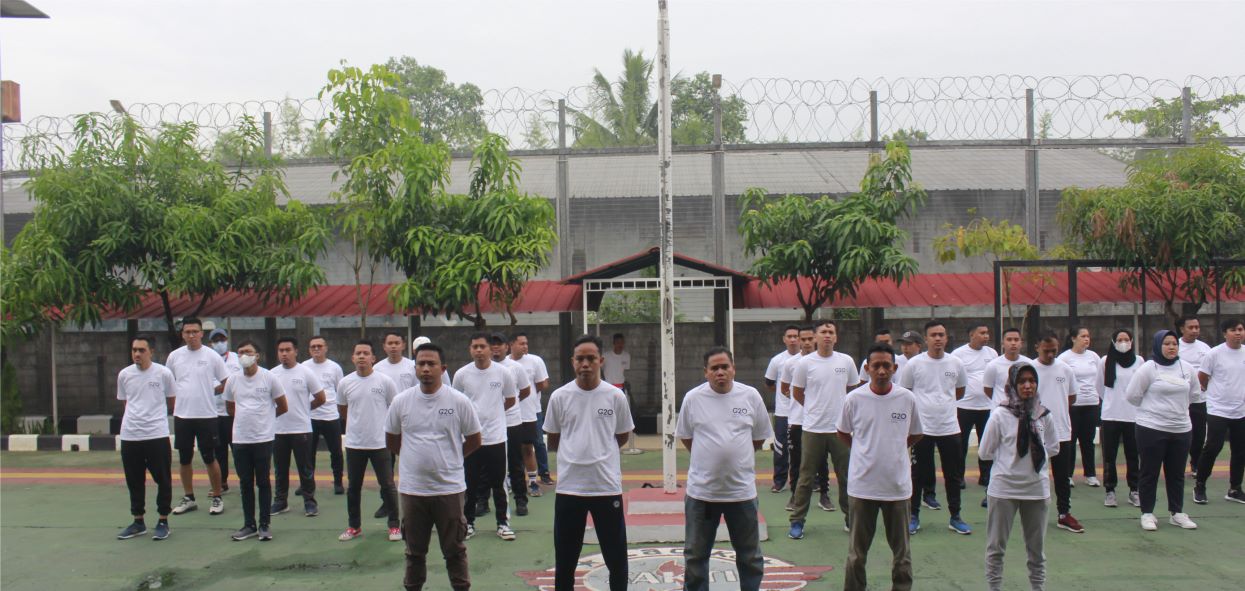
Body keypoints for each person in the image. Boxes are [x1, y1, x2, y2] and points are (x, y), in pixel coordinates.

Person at [386, 342, 482, 591]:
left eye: (431, 364)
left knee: (455, 550)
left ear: (443, 368)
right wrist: (412, 459)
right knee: (414, 552)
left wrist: (451, 459)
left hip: (449, 489)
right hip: (413, 490)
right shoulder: (401, 401)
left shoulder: (459, 401)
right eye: (421, 364)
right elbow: (392, 439)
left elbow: (474, 439)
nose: (426, 369)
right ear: (415, 368)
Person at [676, 347, 773, 591]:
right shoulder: (693, 398)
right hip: (702, 495)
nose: (720, 372)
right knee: (696, 556)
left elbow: (759, 438)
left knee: (750, 557)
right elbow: (687, 437)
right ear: (706, 372)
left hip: (741, 493)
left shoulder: (750, 396)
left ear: (733, 369)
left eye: (725, 367)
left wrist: (733, 458)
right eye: (714, 368)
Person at [544, 334, 634, 591]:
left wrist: (600, 453)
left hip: (606, 487)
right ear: (572, 362)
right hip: (570, 488)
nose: (585, 364)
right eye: (580, 359)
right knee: (566, 559)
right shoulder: (560, 397)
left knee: (616, 559)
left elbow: (621, 435)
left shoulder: (615, 397)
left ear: (601, 361)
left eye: (591, 358)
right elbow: (554, 439)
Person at [839, 344, 922, 591]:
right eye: (876, 365)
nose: (882, 370)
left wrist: (894, 449)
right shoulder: (854, 399)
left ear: (895, 368)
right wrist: (865, 450)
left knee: (902, 554)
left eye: (887, 365)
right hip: (862, 487)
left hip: (897, 488)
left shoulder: (907, 399)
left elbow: (915, 434)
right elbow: (843, 432)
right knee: (856, 554)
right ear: (867, 369)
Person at [979, 363, 1060, 591]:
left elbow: (1053, 448)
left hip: (1036, 489)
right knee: (996, 547)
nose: (1027, 386)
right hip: (1004, 489)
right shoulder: (1000, 415)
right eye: (1022, 381)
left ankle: (1038, 587)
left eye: (1032, 381)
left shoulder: (1043, 415)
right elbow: (985, 451)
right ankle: (994, 587)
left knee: (1036, 549)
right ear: (1013, 385)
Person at [788, 319, 859, 539]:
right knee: (806, 477)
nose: (827, 335)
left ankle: (851, 519)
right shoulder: (805, 364)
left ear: (836, 337)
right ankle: (797, 521)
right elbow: (798, 392)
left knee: (846, 476)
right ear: (815, 337)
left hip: (840, 430)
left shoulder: (846, 361)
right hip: (812, 428)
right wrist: (813, 408)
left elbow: (853, 390)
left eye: (831, 332)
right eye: (823, 332)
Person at [900, 320, 970, 535]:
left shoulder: (956, 363)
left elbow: (959, 392)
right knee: (918, 474)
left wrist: (943, 406)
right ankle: (913, 516)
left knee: (953, 475)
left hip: (949, 427)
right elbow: (905, 393)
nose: (938, 338)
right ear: (926, 339)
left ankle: (955, 516)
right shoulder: (914, 364)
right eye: (933, 335)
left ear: (946, 338)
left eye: (941, 334)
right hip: (922, 429)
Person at [1126, 330, 1199, 531]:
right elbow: (1132, 395)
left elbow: (1194, 394)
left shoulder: (1187, 368)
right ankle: (1147, 513)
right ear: (1158, 345)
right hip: (1151, 428)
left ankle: (1177, 512)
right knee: (1149, 471)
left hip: (1181, 429)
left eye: (1174, 343)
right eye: (1166, 343)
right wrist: (1154, 410)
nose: (1171, 347)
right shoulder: (1148, 368)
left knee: (1176, 473)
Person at [453, 332, 519, 541]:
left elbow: (510, 400)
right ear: (470, 349)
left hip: (497, 438)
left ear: (491, 349)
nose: (479, 350)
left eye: (482, 346)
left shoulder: (503, 373)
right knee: (469, 484)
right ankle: (468, 523)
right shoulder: (462, 374)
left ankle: (503, 524)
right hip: (471, 439)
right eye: (475, 347)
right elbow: (456, 402)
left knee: (499, 484)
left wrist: (494, 415)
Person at [336, 340, 403, 542]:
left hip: (380, 443)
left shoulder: (385, 382)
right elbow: (343, 410)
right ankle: (354, 526)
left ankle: (394, 526)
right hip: (355, 443)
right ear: (353, 357)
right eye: (358, 353)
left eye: (366, 353)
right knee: (354, 487)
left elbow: (395, 407)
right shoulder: (345, 383)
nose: (362, 357)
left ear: (373, 358)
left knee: (388, 485)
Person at [222, 340, 288, 541]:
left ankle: (264, 525)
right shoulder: (232, 380)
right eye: (240, 352)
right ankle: (248, 524)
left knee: (263, 482)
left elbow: (283, 406)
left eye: (248, 352)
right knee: (245, 483)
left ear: (257, 355)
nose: (244, 356)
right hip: (240, 439)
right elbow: (229, 407)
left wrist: (264, 420)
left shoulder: (269, 378)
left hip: (263, 438)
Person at [166, 317, 230, 516]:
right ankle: (189, 497)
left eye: (195, 331)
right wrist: (175, 405)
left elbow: (227, 381)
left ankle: (217, 496)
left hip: (207, 415)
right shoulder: (174, 356)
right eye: (187, 332)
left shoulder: (211, 356)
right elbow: (168, 383)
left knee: (209, 457)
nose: (191, 335)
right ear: (182, 334)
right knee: (184, 459)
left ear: (202, 333)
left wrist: (212, 393)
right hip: (183, 416)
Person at [116, 335, 177, 541]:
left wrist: (152, 419)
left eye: (142, 350)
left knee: (162, 478)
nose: (137, 354)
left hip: (156, 435)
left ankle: (162, 520)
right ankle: (138, 521)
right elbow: (126, 403)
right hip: (130, 435)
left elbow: (171, 401)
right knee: (134, 479)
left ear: (151, 351)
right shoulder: (124, 375)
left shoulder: (163, 373)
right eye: (134, 350)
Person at [1032, 333, 1084, 533]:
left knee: (1062, 477)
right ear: (1037, 346)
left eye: (1054, 349)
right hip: (1035, 432)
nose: (1051, 354)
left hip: (1062, 432)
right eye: (1046, 350)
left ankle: (1064, 513)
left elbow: (1070, 397)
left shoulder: (1065, 369)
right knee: (1034, 474)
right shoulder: (1030, 369)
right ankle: (1034, 512)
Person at [269, 337, 326, 517]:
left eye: (288, 350)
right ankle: (280, 501)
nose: (284, 354)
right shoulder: (272, 374)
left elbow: (321, 398)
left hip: (301, 429)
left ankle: (310, 502)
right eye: (281, 351)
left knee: (305, 469)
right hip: (278, 430)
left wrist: (304, 409)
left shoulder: (306, 372)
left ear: (296, 352)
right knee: (280, 469)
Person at [1194, 318, 1245, 505]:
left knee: (1240, 451)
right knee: (1213, 447)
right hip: (1218, 409)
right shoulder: (1214, 354)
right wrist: (1214, 395)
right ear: (1225, 333)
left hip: (1241, 410)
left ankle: (1235, 489)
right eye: (1233, 330)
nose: (1238, 333)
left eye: (1240, 329)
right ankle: (1200, 485)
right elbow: (1202, 377)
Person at [783, 326, 831, 513]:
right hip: (797, 420)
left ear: (816, 339)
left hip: (820, 422)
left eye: (810, 338)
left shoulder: (827, 362)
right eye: (803, 339)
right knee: (796, 461)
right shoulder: (791, 364)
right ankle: (795, 495)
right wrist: (807, 404)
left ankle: (824, 495)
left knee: (822, 461)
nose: (807, 342)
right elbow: (786, 389)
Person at [371, 331, 416, 519]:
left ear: (403, 345)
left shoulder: (412, 366)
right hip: (387, 424)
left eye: (397, 342)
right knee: (386, 468)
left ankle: (414, 500)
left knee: (412, 462)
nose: (393, 346)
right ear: (384, 346)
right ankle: (387, 503)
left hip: (411, 423)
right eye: (389, 343)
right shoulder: (378, 369)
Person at [1098, 329, 1142, 508]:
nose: (1123, 342)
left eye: (1126, 339)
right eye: (1119, 339)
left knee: (1133, 455)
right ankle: (1110, 490)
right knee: (1110, 455)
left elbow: (1141, 386)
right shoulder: (1105, 361)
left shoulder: (1139, 361)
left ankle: (1134, 490)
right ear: (1113, 341)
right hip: (1111, 415)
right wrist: (1111, 400)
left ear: (1132, 341)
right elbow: (1099, 386)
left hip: (1133, 416)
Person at [491, 332, 533, 517]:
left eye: (499, 344)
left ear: (506, 347)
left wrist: (509, 406)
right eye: (492, 345)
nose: (496, 348)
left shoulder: (515, 368)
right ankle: (482, 502)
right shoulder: (483, 368)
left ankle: (521, 501)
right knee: (488, 465)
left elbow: (524, 391)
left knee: (515, 463)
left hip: (513, 422)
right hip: (489, 425)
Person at [952, 323, 998, 489]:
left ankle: (986, 476)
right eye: (982, 333)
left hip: (986, 407)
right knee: (961, 444)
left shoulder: (992, 353)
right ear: (972, 335)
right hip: (964, 406)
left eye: (987, 333)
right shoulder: (958, 354)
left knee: (986, 443)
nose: (986, 336)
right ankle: (959, 477)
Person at [1057, 326, 1102, 487]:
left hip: (1091, 404)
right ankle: (1068, 475)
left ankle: (1090, 474)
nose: (1086, 339)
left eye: (1088, 336)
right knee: (1071, 439)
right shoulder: (1065, 358)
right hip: (1073, 405)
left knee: (1088, 440)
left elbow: (1100, 379)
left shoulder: (1094, 357)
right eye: (1083, 336)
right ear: (1073, 338)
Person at [509, 332, 551, 498]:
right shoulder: (504, 364)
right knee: (510, 450)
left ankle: (535, 480)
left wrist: (531, 396)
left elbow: (542, 383)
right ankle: (511, 481)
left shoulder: (535, 361)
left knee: (533, 445)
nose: (525, 346)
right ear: (511, 344)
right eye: (521, 343)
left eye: (526, 343)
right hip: (511, 415)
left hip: (531, 412)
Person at [303, 335, 345, 495]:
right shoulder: (304, 367)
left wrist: (339, 413)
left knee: (336, 452)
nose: (316, 349)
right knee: (308, 453)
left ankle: (338, 482)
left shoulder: (335, 368)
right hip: (310, 416)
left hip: (330, 415)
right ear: (309, 349)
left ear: (326, 348)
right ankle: (307, 483)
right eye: (313, 346)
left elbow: (340, 391)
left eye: (319, 346)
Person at [763, 325, 801, 493]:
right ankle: (779, 481)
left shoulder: (809, 359)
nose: (793, 339)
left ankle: (811, 481)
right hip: (783, 413)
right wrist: (786, 396)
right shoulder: (777, 360)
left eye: (796, 336)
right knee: (780, 448)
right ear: (784, 339)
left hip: (804, 414)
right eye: (790, 336)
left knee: (806, 449)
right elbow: (770, 384)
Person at [1177, 316, 1212, 476]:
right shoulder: (1175, 346)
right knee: (1181, 434)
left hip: (1200, 399)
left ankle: (1196, 463)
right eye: (1190, 327)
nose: (1194, 330)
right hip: (1179, 400)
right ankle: (1176, 464)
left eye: (1197, 327)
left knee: (1199, 433)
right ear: (1182, 329)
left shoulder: (1205, 348)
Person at [209, 328, 241, 494]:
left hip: (234, 412)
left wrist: (224, 386)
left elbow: (239, 381)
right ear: (211, 343)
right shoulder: (208, 359)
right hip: (215, 412)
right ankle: (222, 482)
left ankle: (245, 480)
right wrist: (225, 386)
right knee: (219, 451)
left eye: (222, 339)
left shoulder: (236, 359)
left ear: (227, 340)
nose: (219, 343)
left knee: (238, 449)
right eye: (216, 340)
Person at [983, 328, 1033, 407]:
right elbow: (988, 389)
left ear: (1021, 343)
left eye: (1016, 340)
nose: (1013, 343)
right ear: (1002, 343)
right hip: (999, 411)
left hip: (1023, 410)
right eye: (1009, 340)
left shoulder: (1029, 364)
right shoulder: (993, 365)